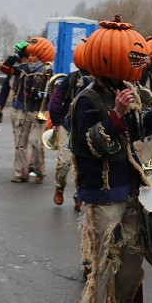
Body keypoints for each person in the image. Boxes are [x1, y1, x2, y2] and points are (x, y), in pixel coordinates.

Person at [70, 19, 152, 303]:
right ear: (107, 59)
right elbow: (89, 146)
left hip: (129, 187)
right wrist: (116, 116)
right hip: (101, 190)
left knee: (131, 253)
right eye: (132, 58)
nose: (138, 64)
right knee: (104, 257)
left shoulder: (124, 91)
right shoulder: (87, 99)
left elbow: (135, 133)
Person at [0, 42, 51, 183]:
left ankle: (40, 170)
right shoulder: (21, 69)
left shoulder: (47, 70)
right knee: (20, 142)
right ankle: (21, 171)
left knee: (35, 142)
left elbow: (51, 93)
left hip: (37, 111)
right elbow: (5, 68)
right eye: (29, 55)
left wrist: (49, 109)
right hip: (20, 109)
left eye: (35, 55)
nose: (31, 58)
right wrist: (16, 55)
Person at [48, 65, 90, 209]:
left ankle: (79, 195)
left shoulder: (101, 79)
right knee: (64, 163)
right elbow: (55, 101)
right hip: (68, 127)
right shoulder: (72, 77)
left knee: (84, 165)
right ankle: (59, 187)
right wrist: (58, 122)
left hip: (87, 129)